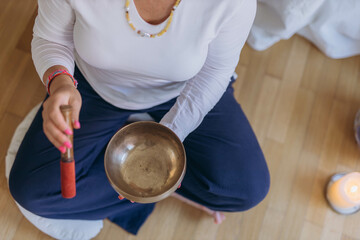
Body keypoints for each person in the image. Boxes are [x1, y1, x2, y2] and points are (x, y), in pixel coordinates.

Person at [9, 0, 270, 236]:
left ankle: (136, 157)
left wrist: (167, 140)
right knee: (32, 192)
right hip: (93, 87)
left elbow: (214, 72)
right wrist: (60, 82)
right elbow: (51, 39)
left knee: (247, 189)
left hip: (183, 91)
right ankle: (146, 169)